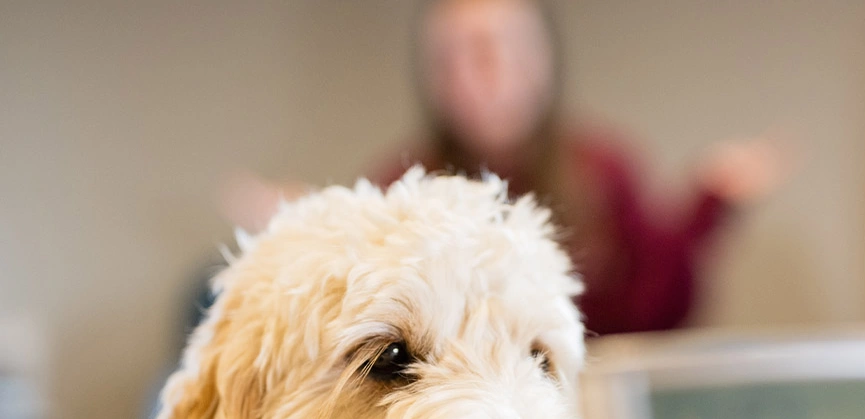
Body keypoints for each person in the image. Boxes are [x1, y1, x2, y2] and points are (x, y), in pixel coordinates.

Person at [219, 0, 795, 335]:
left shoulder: (602, 168)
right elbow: (378, 322)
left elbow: (654, 312)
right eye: (451, 58)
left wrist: (712, 203)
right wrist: (315, 231)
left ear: (540, 57)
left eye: (493, 48)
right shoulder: (405, 180)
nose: (477, 74)